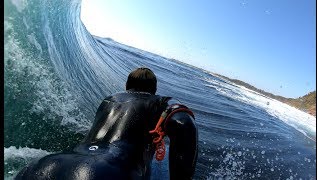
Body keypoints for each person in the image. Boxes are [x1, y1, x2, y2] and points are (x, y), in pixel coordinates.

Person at [15, 67, 198, 180]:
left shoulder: (109, 100)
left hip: (44, 165)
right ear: (154, 89)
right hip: (105, 172)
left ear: (127, 85)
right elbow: (183, 122)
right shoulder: (159, 102)